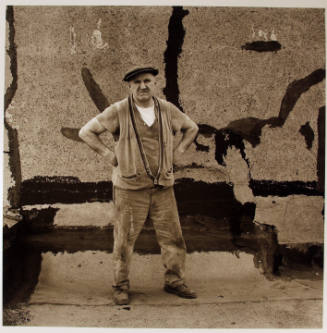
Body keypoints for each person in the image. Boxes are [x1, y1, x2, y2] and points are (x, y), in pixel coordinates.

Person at [79, 65, 199, 305]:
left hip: (163, 186)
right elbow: (86, 132)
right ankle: (120, 286)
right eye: (137, 83)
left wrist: (179, 152)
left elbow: (191, 128)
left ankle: (174, 281)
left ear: (155, 83)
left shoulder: (166, 109)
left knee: (172, 238)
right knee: (124, 240)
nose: (143, 86)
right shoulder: (119, 110)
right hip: (130, 188)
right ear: (130, 86)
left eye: (147, 81)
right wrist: (108, 155)